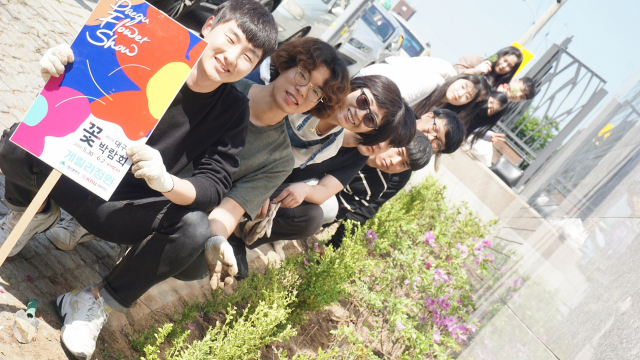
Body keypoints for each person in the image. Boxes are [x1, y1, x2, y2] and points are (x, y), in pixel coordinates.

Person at [0, 1, 278, 358]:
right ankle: (31, 214)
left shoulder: (233, 110)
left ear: (253, 68)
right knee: (16, 142)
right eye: (232, 39)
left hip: (122, 208)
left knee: (194, 228)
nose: (232, 57)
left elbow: (214, 182)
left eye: (249, 56)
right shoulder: (148, 49)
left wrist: (167, 182)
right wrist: (60, 72)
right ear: (209, 26)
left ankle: (93, 301)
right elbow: (79, 91)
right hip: (71, 173)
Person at [326, 108, 465, 248]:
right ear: (428, 115)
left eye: (438, 143)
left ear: (436, 152)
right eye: (434, 129)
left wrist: (333, 246)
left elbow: (365, 208)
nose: (430, 137)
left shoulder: (400, 172)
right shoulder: (391, 114)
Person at [288, 74, 416, 168]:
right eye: (363, 101)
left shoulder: (330, 147)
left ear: (370, 132)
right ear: (357, 87)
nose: (359, 114)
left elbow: (282, 165)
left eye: (370, 119)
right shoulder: (315, 88)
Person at [358, 55, 458, 107]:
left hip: (386, 94)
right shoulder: (437, 79)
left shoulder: (443, 108)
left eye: (469, 96)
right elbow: (412, 64)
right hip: (380, 81)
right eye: (463, 86)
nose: (460, 93)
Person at [412, 73, 491, 128]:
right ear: (459, 78)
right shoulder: (431, 83)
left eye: (467, 97)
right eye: (463, 87)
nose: (460, 94)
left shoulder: (443, 114)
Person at [453, 46, 523, 87]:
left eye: (510, 66)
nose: (504, 66)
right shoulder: (476, 60)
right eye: (504, 60)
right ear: (499, 55)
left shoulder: (498, 87)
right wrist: (476, 71)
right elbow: (454, 72)